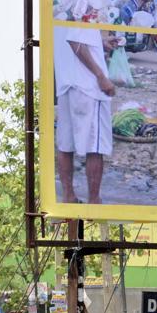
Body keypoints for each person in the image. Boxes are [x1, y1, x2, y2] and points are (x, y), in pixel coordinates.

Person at [55, 26, 118, 204]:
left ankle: (69, 196)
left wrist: (99, 43)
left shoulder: (58, 12)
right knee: (95, 147)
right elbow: (75, 41)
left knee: (65, 144)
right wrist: (100, 76)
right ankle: (94, 201)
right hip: (88, 87)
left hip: (66, 83)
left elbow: (74, 39)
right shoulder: (82, 10)